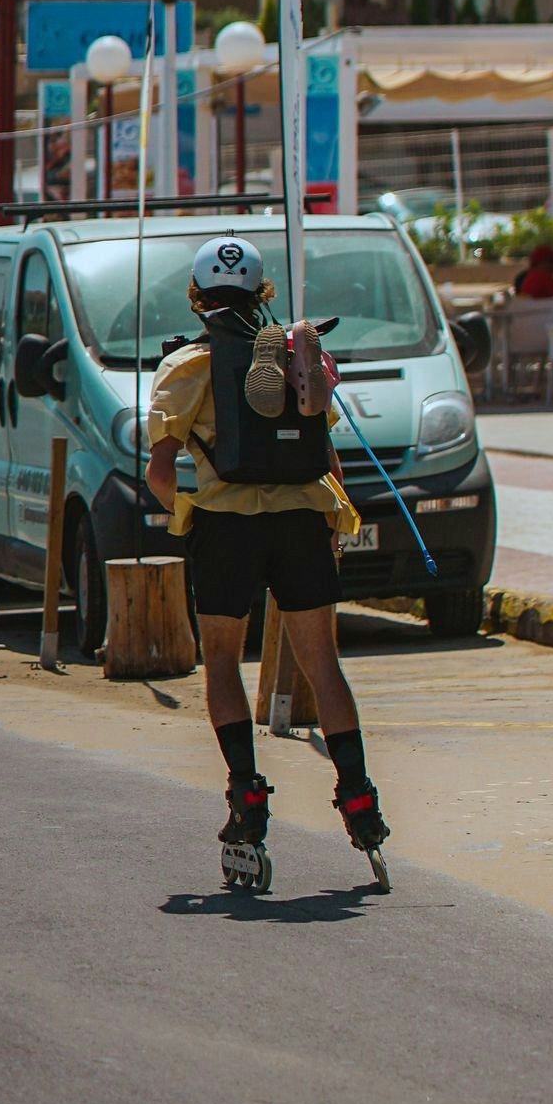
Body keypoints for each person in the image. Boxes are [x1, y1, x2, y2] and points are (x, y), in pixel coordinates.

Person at [144, 234, 389, 887]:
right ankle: (359, 796)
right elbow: (328, 457)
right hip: (304, 521)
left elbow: (161, 470)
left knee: (223, 659)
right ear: (263, 293)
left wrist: (186, 518)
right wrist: (332, 525)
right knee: (322, 663)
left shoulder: (187, 367)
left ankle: (247, 794)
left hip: (227, 528)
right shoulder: (294, 355)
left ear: (198, 297)